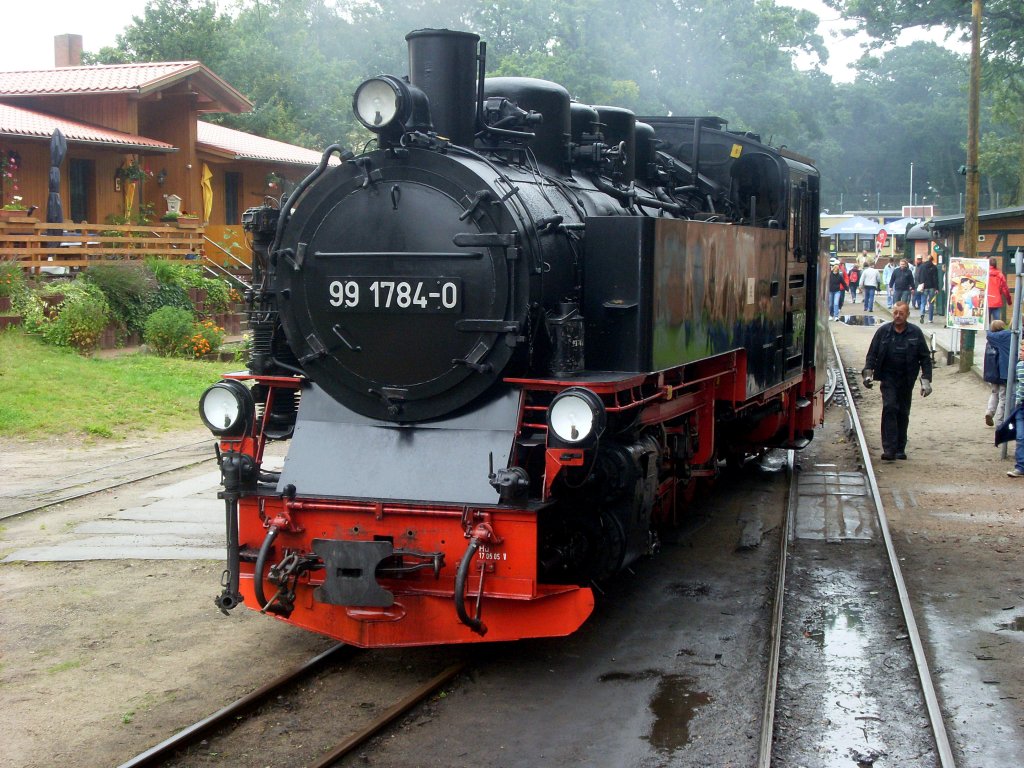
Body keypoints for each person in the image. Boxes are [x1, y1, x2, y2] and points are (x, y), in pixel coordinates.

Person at [862, 301, 933, 460]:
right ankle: (889, 448)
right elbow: (872, 354)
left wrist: (926, 380)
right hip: (888, 377)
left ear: (907, 315)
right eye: (895, 313)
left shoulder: (915, 333)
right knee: (890, 407)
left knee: (902, 411)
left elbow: (925, 358)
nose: (898, 316)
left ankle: (900, 447)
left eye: (901, 313)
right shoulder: (883, 332)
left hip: (907, 378)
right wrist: (868, 373)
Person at [984, 319, 1012, 426]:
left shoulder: (991, 340)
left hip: (992, 373)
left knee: (994, 393)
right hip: (1002, 371)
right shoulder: (1005, 337)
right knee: (1003, 396)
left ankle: (989, 412)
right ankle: (999, 421)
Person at [1008, 338, 1024, 478]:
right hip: (1020, 406)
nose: (1021, 353)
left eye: (1023, 351)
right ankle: (1020, 467)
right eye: (1021, 350)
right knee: (1020, 436)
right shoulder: (1019, 366)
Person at [916, 254, 940, 323]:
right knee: (931, 303)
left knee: (923, 302)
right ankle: (930, 319)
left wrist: (920, 283)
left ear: (926, 259)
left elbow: (918, 276)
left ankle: (922, 314)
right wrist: (936, 288)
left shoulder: (922, 266)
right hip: (932, 287)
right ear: (932, 260)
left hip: (924, 287)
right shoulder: (934, 267)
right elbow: (936, 278)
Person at [987, 257, 1013, 322]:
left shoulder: (984, 274)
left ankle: (989, 332)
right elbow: (1005, 289)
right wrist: (1009, 301)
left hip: (986, 301)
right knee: (997, 322)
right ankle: (996, 331)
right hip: (996, 301)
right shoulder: (1000, 275)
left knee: (987, 323)